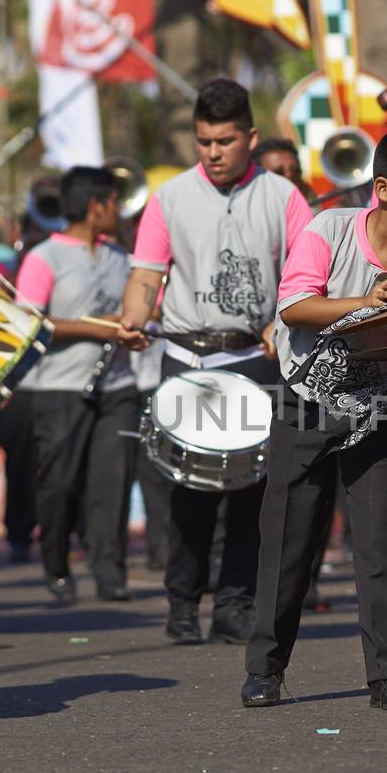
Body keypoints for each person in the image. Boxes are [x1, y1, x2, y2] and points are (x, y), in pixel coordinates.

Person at [242, 121, 387, 711]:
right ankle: (265, 668)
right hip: (303, 401)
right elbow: (294, 308)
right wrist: (367, 302)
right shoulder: (329, 229)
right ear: (383, 189)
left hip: (379, 409)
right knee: (288, 541)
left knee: (379, 544)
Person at [115, 79, 312, 646]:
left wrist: (284, 319)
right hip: (189, 359)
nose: (214, 152)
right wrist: (134, 316)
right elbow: (147, 274)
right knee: (190, 489)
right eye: (204, 141)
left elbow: (305, 275)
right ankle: (182, 604)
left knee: (253, 492)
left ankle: (234, 605)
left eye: (225, 140)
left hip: (254, 356)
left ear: (250, 136)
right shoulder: (170, 197)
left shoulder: (284, 197)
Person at [16, 166, 139, 605]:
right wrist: (97, 328)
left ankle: (110, 573)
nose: (119, 210)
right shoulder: (44, 257)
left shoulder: (120, 256)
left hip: (119, 385)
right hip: (60, 388)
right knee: (60, 484)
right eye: (113, 202)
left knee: (113, 481)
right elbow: (27, 323)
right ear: (95, 206)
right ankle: (57, 567)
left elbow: (142, 305)